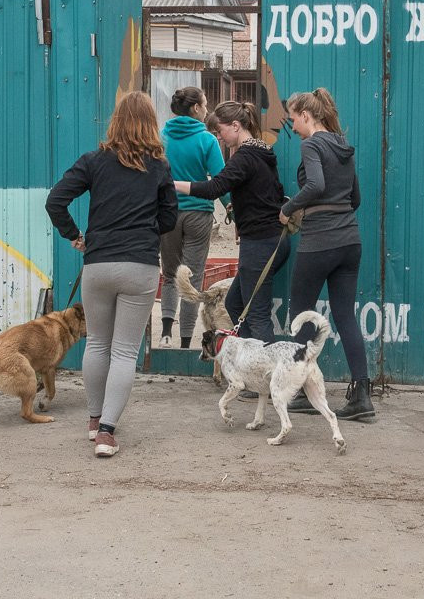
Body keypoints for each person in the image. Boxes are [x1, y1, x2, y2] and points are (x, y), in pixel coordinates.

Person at [45, 91, 178, 458]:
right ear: (151, 124)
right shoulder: (159, 167)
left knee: (98, 344)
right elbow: (169, 220)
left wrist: (74, 235)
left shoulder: (93, 161)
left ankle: (92, 419)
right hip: (139, 266)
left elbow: (55, 200)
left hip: (98, 264)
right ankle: (107, 432)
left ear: (115, 121)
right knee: (123, 351)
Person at [277, 88, 374, 422]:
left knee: (301, 314)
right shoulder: (343, 146)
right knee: (345, 315)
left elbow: (315, 185)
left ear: (307, 115)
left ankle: (301, 393)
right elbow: (356, 197)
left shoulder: (312, 144)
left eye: (293, 120)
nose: (293, 127)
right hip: (350, 240)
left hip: (320, 241)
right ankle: (362, 395)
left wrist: (289, 208)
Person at [174, 101, 291, 348]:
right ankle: (250, 364)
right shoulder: (262, 152)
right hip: (272, 241)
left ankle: (266, 379)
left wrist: (171, 184)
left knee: (258, 315)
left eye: (220, 131)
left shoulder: (245, 158)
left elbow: (213, 188)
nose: (219, 137)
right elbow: (263, 194)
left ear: (236, 126)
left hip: (259, 244)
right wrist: (237, 205)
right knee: (235, 304)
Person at [159, 86, 226, 349]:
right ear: (196, 108)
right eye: (206, 104)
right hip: (199, 213)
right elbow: (221, 180)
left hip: (168, 213)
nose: (207, 109)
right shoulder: (207, 140)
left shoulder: (161, 137)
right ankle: (186, 343)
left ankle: (165, 334)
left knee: (170, 275)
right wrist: (232, 208)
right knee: (192, 278)